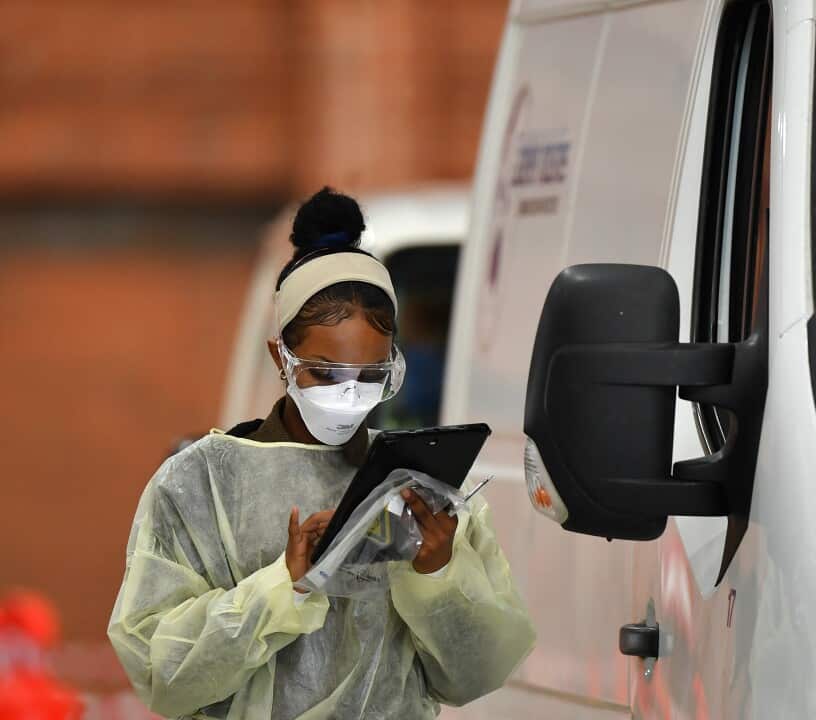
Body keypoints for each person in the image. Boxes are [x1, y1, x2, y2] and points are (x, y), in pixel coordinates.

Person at [107, 188, 536, 719]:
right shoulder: (201, 486)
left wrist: (439, 572)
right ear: (280, 359)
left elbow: (478, 673)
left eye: (370, 375)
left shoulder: (421, 487)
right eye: (326, 373)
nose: (349, 393)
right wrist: (280, 588)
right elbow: (160, 671)